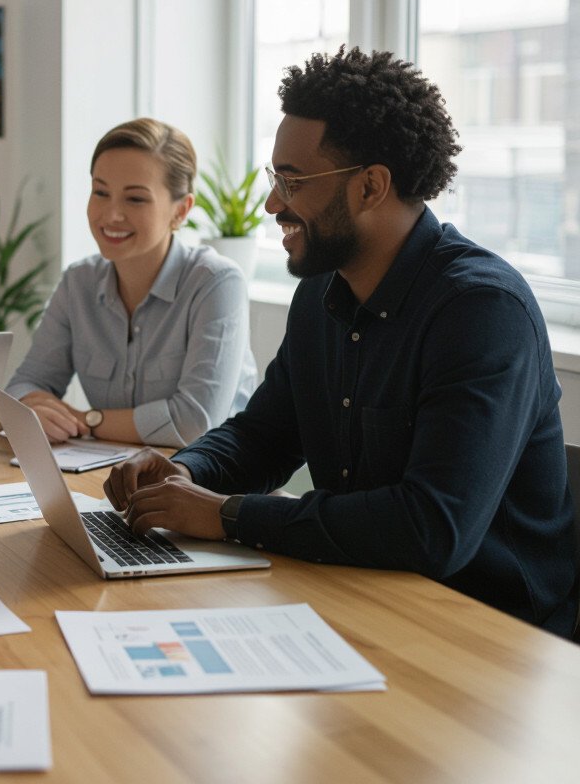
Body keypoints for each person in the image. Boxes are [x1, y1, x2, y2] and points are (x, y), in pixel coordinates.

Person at [104, 48, 577, 636]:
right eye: (275, 179)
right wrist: (182, 473)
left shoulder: (480, 312)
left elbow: (433, 529)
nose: (272, 203)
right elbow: (265, 435)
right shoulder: (323, 290)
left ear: (372, 186)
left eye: (292, 182)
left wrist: (226, 515)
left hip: (489, 630)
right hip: (365, 595)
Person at [6, 118, 257, 449]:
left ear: (181, 211)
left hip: (207, 487)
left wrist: (85, 421)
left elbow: (195, 422)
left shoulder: (216, 282)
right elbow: (23, 385)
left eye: (135, 199)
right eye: (100, 192)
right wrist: (32, 407)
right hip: (109, 474)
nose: (111, 215)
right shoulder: (78, 282)